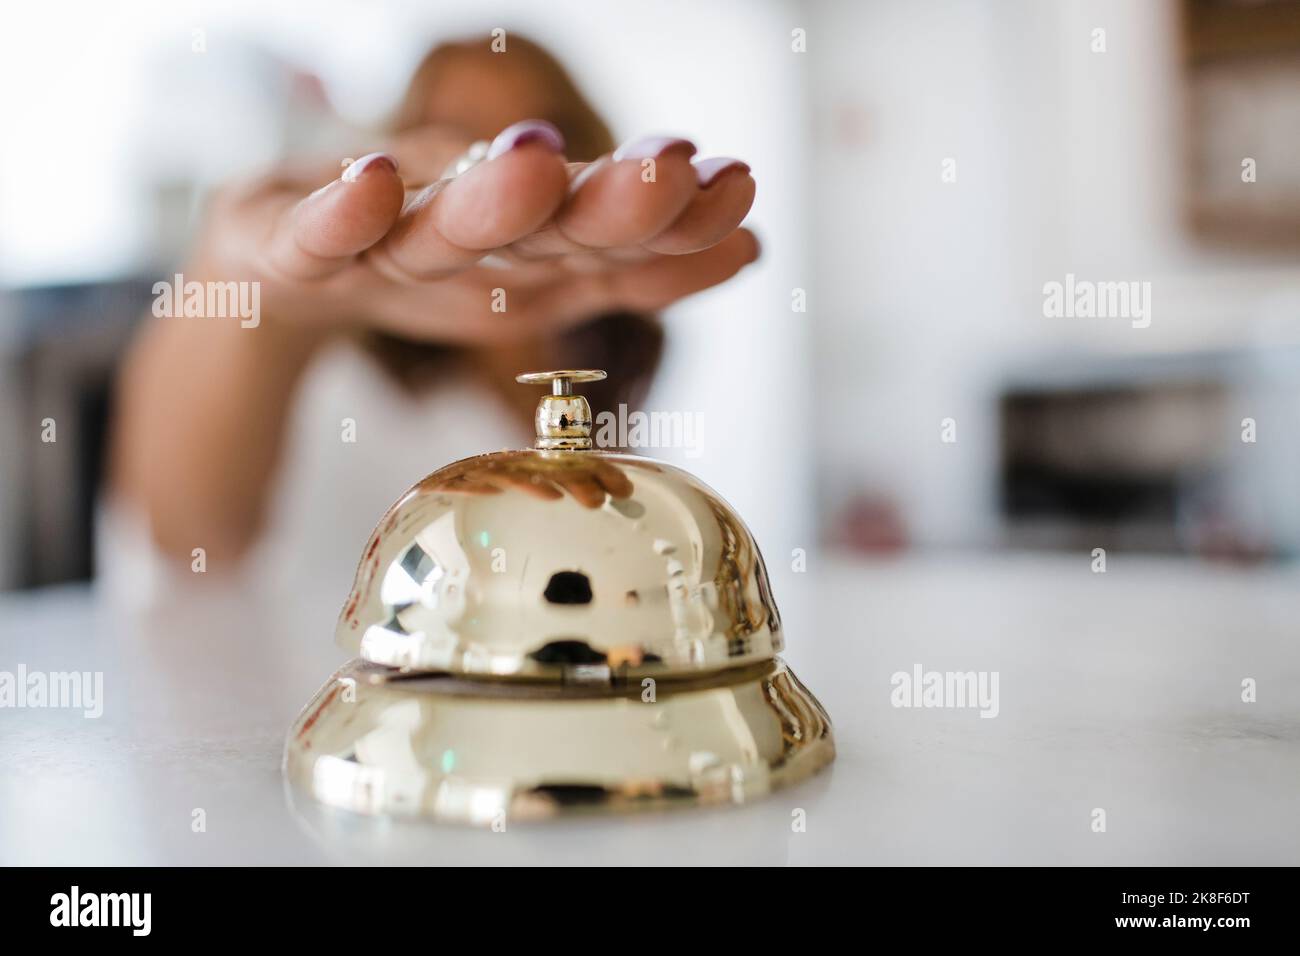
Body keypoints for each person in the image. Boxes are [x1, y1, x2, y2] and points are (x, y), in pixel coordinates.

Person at [107, 34, 758, 591]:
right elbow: (185, 540)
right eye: (460, 129)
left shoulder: (606, 351)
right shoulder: (340, 359)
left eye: (536, 131)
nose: (495, 157)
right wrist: (246, 293)